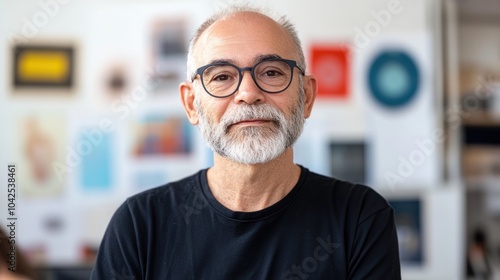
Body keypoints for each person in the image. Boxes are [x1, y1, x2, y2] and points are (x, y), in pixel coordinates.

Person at [91, 5, 401, 279]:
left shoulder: (360, 218)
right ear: (190, 104)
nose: (248, 93)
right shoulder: (139, 225)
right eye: (222, 76)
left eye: (271, 72)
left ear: (306, 96)